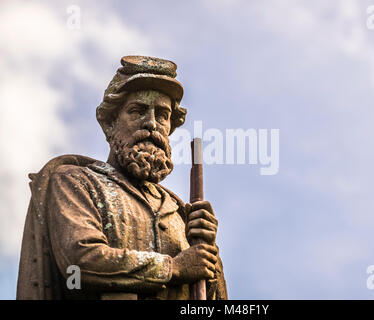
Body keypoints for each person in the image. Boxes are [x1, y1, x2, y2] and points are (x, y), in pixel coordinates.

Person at [16, 56, 227, 300]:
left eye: (162, 115)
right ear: (109, 123)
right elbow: (81, 261)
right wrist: (174, 268)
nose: (151, 124)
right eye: (137, 111)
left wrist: (209, 257)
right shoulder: (76, 182)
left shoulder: (180, 212)